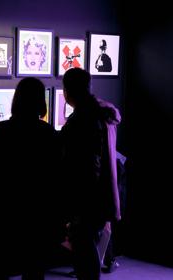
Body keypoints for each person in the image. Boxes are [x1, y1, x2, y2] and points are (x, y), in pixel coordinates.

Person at [0, 77, 61, 279]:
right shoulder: (49, 134)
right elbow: (56, 177)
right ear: (41, 101)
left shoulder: (0, 131)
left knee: (0, 265)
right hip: (38, 212)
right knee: (34, 268)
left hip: (4, 210)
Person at [59, 67, 121, 280]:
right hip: (104, 194)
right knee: (89, 247)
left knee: (84, 252)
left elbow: (85, 165)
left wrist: (74, 203)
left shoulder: (81, 121)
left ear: (67, 92)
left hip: (85, 198)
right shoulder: (104, 114)